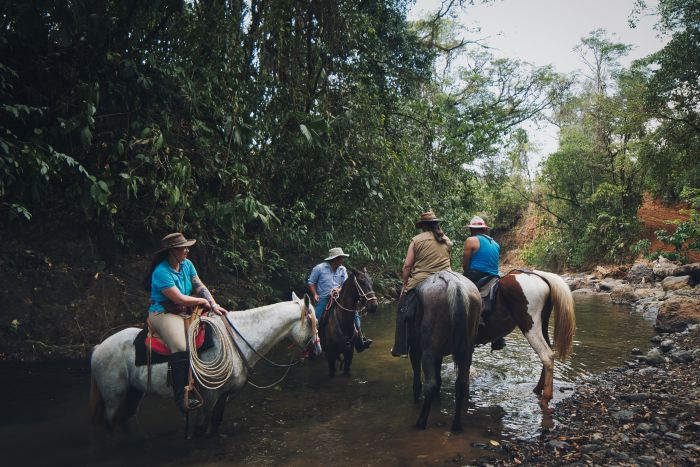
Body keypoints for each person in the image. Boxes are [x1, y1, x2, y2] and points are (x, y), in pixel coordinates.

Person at [144, 232, 227, 413]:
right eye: (183, 248)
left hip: (186, 310)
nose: (187, 250)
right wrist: (202, 302)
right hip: (163, 313)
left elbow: (199, 286)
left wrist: (213, 304)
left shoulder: (187, 264)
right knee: (181, 347)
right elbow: (180, 299)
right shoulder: (161, 272)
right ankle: (181, 398)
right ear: (172, 251)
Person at [391, 211, 453, 357]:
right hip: (447, 276)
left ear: (423, 226)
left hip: (422, 278)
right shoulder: (446, 240)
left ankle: (401, 348)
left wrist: (405, 285)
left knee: (402, 310)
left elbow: (407, 266)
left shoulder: (416, 240)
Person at [307, 247, 372, 352]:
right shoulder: (319, 268)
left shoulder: (342, 269)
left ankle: (360, 340)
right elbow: (311, 282)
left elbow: (345, 285)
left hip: (340, 297)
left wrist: (338, 289)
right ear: (334, 259)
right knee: (317, 318)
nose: (343, 260)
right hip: (324, 298)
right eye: (341, 258)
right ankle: (312, 344)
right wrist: (314, 295)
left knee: (354, 314)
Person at [461, 215, 505, 350]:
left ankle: (465, 329)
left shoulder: (471, 240)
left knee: (458, 296)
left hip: (476, 274)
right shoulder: (495, 243)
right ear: (484, 229)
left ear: (472, 229)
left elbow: (465, 265)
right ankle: (498, 337)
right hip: (494, 276)